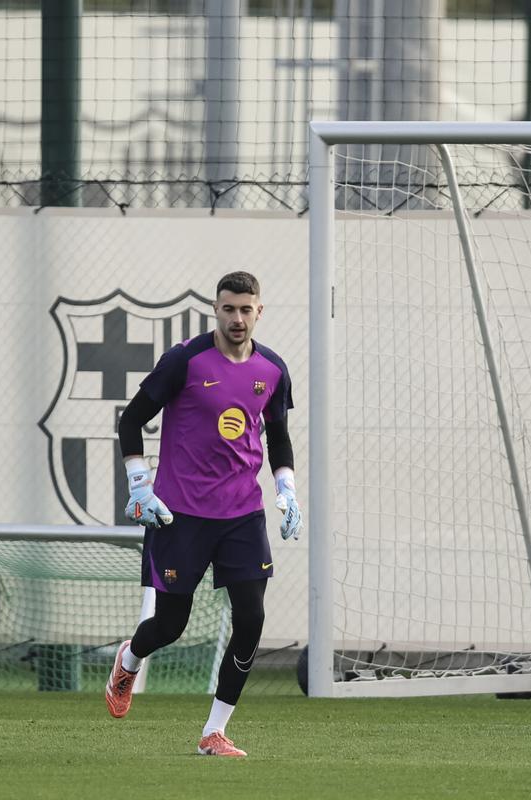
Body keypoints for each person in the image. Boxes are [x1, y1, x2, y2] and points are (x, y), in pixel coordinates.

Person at [106, 270, 303, 757]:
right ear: (216, 309)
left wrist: (287, 489)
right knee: (171, 625)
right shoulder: (184, 361)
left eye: (246, 309)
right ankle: (129, 662)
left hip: (242, 515)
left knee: (252, 618)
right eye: (229, 308)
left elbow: (277, 436)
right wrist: (140, 485)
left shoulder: (273, 370)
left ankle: (213, 732)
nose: (238, 318)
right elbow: (131, 420)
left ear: (260, 311)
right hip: (181, 515)